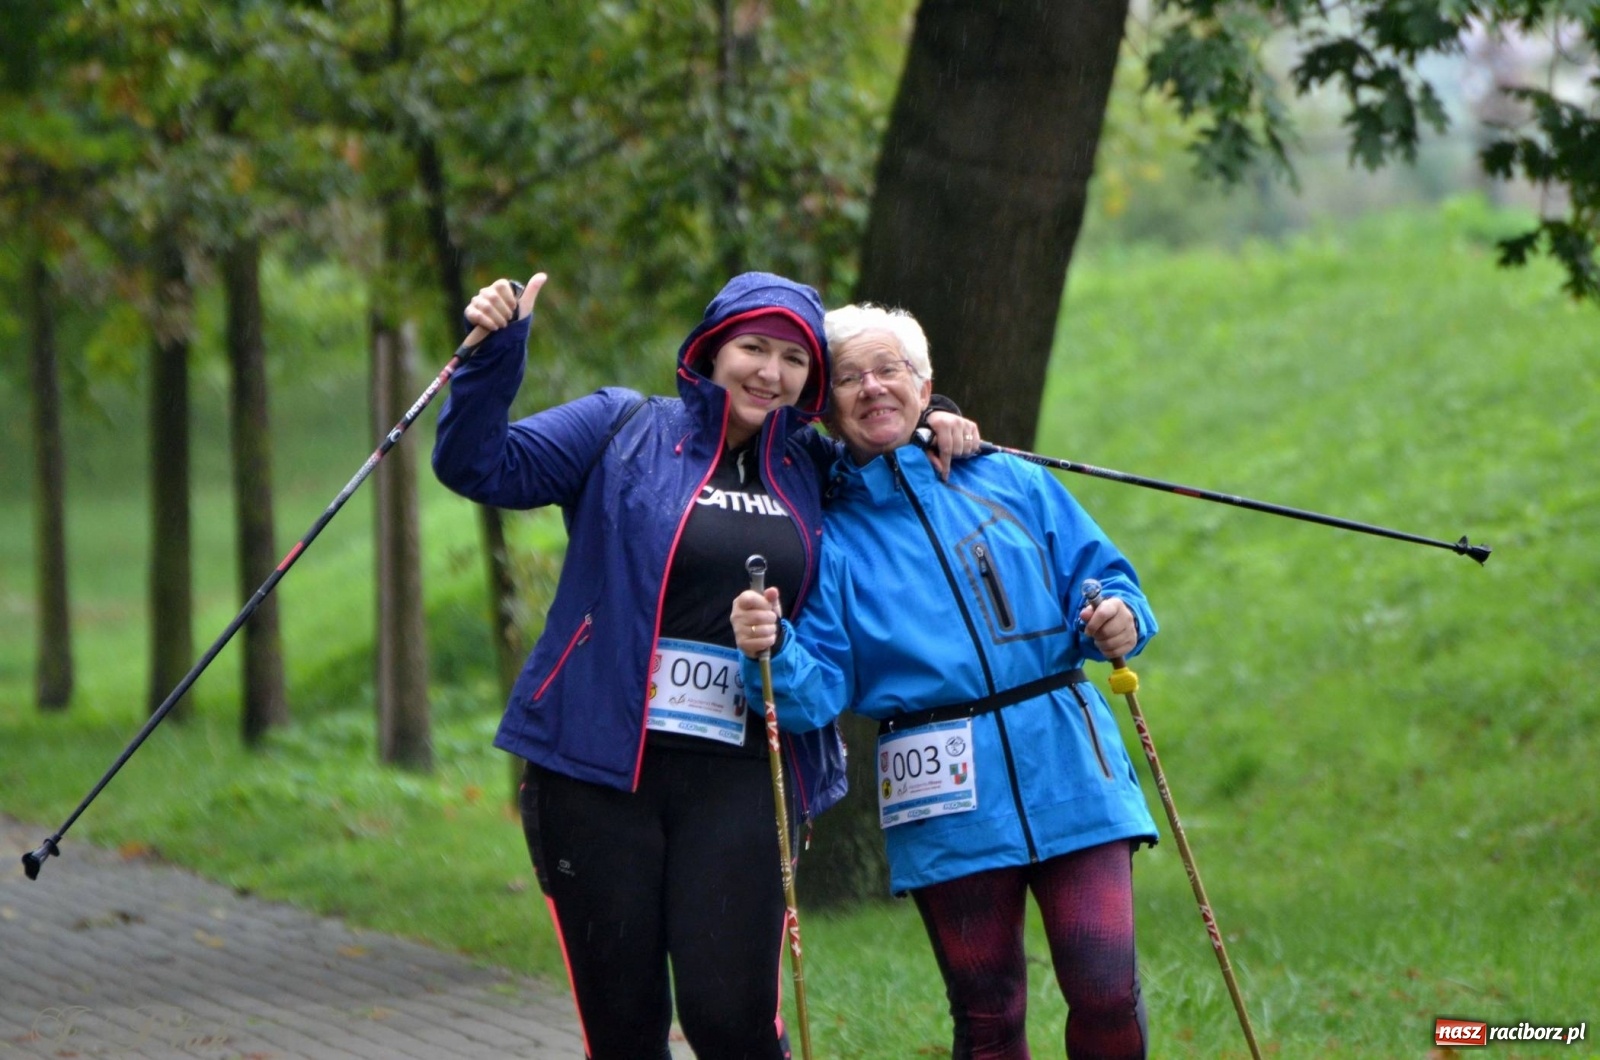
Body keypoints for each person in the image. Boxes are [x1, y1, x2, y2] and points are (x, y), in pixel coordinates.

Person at [431, 272, 980, 1060]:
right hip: (598, 772)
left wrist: (943, 422)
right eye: (753, 347)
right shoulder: (620, 426)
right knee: (625, 1031)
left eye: (793, 357)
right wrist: (492, 353)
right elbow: (480, 466)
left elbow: (887, 459)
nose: (770, 371)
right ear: (710, 350)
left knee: (732, 1023)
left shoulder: (812, 465)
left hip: (742, 779)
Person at [731, 303, 1160, 1059]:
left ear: (925, 387)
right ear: (827, 409)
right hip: (941, 788)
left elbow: (1106, 577)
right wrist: (771, 651)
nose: (873, 390)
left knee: (1105, 988)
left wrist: (1121, 615)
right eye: (852, 379)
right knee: (987, 1014)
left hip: (1069, 762)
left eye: (889, 370)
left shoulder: (1013, 480)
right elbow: (815, 692)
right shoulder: (829, 538)